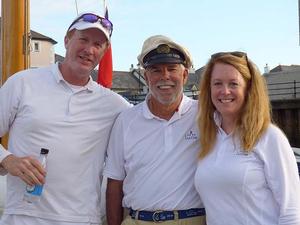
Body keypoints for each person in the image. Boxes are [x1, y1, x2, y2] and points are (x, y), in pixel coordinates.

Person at [0, 12, 131, 225]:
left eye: (98, 44)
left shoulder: (114, 105)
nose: (89, 50)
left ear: (104, 52)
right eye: (83, 40)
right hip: (23, 217)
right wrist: (7, 160)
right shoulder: (23, 83)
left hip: (81, 219)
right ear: (67, 40)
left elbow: (149, 129)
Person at [104, 35, 206, 225]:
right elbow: (114, 183)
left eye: (172, 69)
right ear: (146, 76)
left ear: (184, 75)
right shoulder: (126, 121)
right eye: (156, 70)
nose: (164, 76)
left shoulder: (205, 115)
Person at [194, 51, 300, 225]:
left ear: (249, 89)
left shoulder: (269, 137)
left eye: (233, 83)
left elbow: (291, 210)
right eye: (217, 83)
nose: (224, 91)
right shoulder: (208, 138)